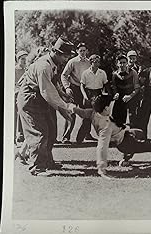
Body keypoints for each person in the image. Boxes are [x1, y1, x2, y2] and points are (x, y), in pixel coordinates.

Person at [71, 94, 151, 179]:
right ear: (106, 107)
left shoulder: (93, 113)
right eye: (110, 105)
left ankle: (126, 160)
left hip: (126, 136)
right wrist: (101, 167)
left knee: (139, 131)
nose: (111, 107)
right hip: (126, 143)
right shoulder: (105, 126)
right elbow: (102, 147)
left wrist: (69, 107)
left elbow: (80, 112)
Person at [17, 37, 75, 175]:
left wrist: (63, 94)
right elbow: (47, 91)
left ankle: (47, 161)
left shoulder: (52, 63)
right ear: (56, 52)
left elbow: (53, 84)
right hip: (30, 100)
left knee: (51, 130)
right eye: (65, 56)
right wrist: (63, 108)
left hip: (40, 99)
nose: (66, 60)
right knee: (39, 133)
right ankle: (37, 167)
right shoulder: (43, 66)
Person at [61, 42, 96, 144]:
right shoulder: (72, 61)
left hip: (85, 90)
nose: (82, 52)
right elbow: (64, 75)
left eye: (84, 50)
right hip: (74, 89)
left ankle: (86, 134)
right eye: (80, 51)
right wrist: (67, 87)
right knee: (71, 113)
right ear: (77, 51)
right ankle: (66, 137)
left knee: (88, 112)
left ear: (87, 51)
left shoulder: (90, 62)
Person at [79, 54, 109, 141]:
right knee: (87, 118)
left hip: (98, 94)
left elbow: (105, 85)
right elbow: (82, 86)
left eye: (98, 62)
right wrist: (85, 96)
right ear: (91, 62)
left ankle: (103, 138)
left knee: (100, 118)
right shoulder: (85, 73)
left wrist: (107, 96)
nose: (97, 64)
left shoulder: (102, 73)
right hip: (88, 94)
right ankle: (79, 139)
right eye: (95, 62)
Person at [111, 54, 140, 128]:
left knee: (132, 117)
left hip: (132, 96)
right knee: (117, 117)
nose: (122, 65)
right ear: (117, 64)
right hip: (120, 98)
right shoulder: (115, 74)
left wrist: (130, 96)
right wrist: (116, 93)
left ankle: (134, 137)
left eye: (124, 62)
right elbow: (114, 87)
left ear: (127, 63)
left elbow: (137, 88)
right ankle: (119, 136)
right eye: (120, 63)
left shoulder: (133, 73)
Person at [14, 50, 28, 144]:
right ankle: (16, 135)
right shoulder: (15, 70)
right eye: (22, 59)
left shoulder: (26, 69)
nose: (24, 61)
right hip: (16, 94)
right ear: (18, 59)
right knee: (16, 116)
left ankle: (22, 134)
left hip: (24, 94)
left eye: (25, 59)